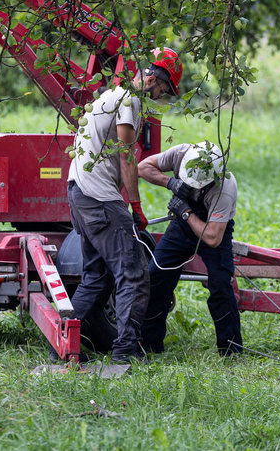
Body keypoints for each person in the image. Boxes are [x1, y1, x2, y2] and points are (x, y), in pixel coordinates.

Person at [67, 47, 181, 363]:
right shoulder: (128, 101)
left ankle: (62, 346)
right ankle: (125, 352)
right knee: (133, 274)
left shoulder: (108, 96)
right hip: (99, 197)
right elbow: (127, 156)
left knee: (96, 277)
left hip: (78, 193)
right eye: (164, 90)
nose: (162, 96)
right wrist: (135, 207)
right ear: (154, 79)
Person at [138, 141, 243, 356]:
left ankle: (231, 349)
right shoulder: (180, 153)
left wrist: (186, 213)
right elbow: (142, 167)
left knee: (221, 284)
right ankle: (150, 345)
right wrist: (171, 183)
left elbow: (213, 238)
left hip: (213, 227)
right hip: (181, 226)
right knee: (157, 275)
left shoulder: (224, 186)